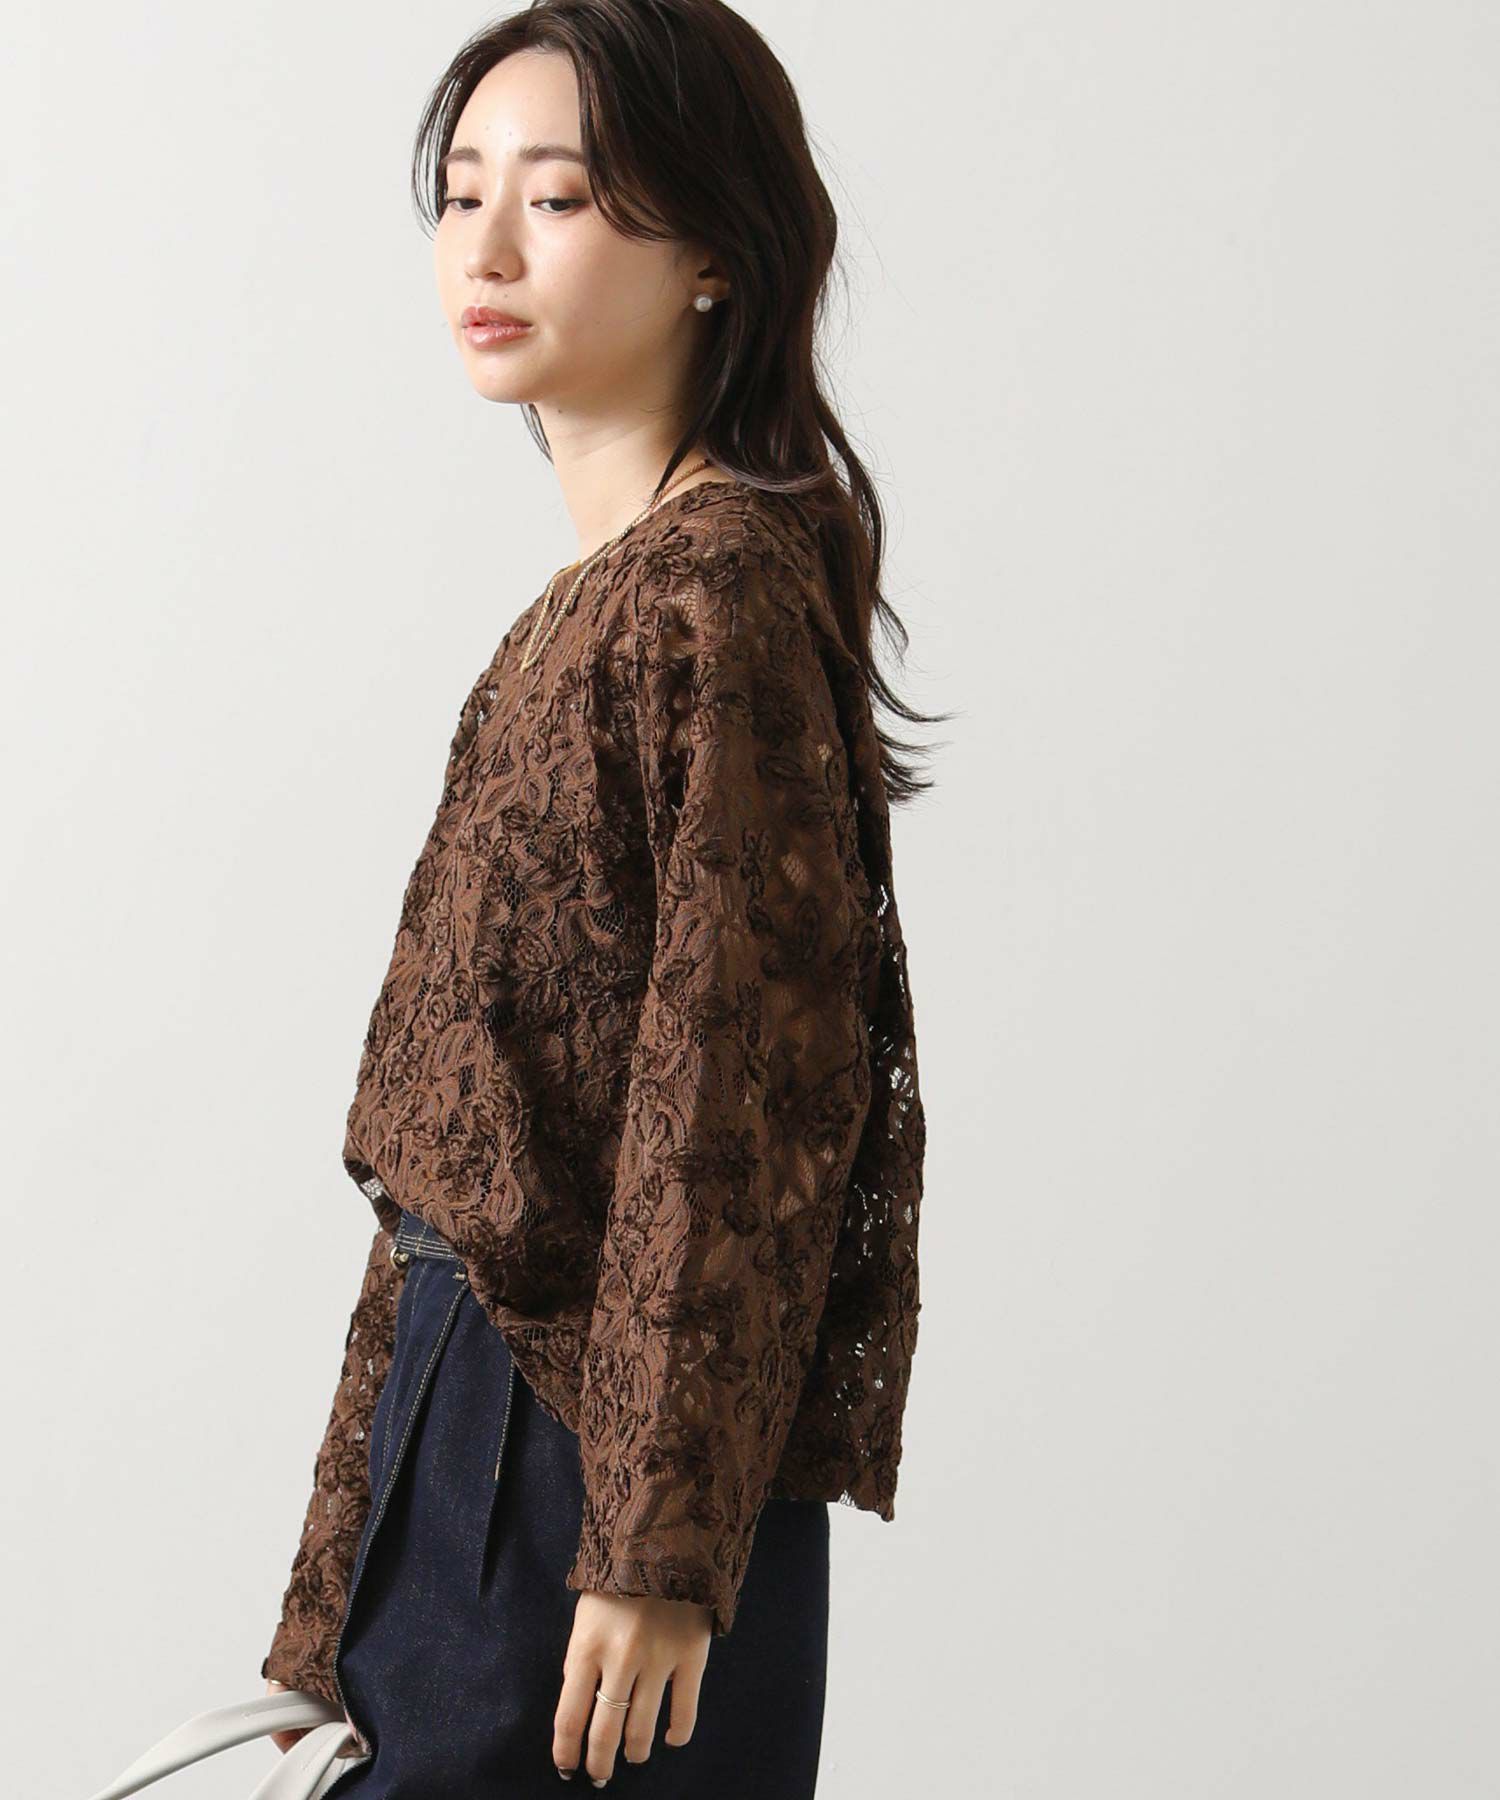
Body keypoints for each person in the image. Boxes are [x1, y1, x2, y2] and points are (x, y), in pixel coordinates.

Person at [259, 3, 941, 1794]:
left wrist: (654, 1550)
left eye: (555, 198)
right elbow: (447, 1166)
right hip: (483, 1439)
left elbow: (738, 1104)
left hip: (588, 1465)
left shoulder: (711, 594)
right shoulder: (593, 604)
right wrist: (331, 1609)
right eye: (461, 193)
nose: (484, 248)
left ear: (716, 249)